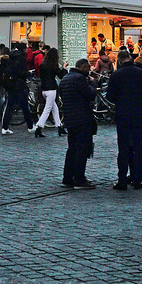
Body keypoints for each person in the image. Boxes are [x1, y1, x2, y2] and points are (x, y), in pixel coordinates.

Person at [108, 50, 142, 189]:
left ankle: (122, 180)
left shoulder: (116, 75)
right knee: (138, 148)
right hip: (139, 115)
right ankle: (138, 179)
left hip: (123, 115)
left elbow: (110, 97)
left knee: (123, 148)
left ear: (120, 61)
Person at [57, 59, 99, 188]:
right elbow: (91, 94)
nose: (89, 70)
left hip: (70, 118)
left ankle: (68, 177)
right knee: (82, 148)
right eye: (88, 67)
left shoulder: (65, 79)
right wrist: (93, 83)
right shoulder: (80, 79)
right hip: (82, 118)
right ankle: (79, 178)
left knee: (72, 149)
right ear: (83, 67)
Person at [0, 44, 34, 134]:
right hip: (19, 85)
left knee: (9, 106)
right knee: (25, 107)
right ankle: (30, 126)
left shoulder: (11, 57)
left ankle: (5, 127)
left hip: (11, 85)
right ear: (23, 49)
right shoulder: (22, 58)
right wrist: (29, 73)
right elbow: (22, 72)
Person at [33, 47, 65, 138]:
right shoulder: (53, 65)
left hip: (44, 88)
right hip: (51, 89)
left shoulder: (43, 64)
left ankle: (59, 126)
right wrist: (64, 67)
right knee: (48, 109)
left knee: (55, 109)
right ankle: (39, 127)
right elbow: (61, 75)